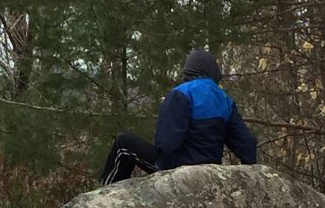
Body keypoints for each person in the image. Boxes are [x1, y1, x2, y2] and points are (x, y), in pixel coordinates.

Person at [98, 49, 258, 185]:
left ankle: (105, 193)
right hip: (210, 172)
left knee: (123, 142)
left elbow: (167, 142)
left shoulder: (182, 93)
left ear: (189, 70)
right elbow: (246, 143)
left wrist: (164, 174)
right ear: (213, 71)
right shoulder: (224, 99)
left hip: (177, 170)